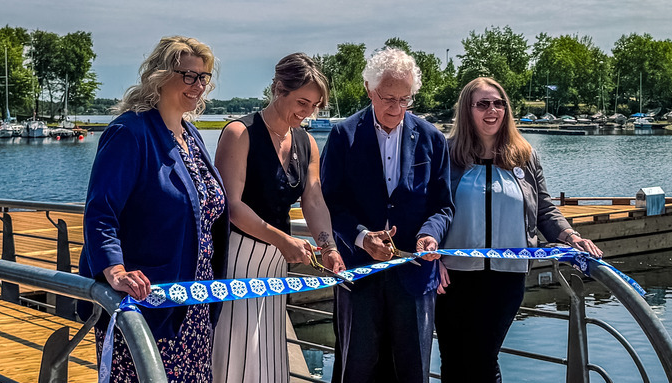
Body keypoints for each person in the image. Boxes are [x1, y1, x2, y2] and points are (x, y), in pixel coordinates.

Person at [78, 36, 228, 382]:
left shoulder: (190, 135)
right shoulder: (129, 132)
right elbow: (101, 211)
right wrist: (114, 270)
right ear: (159, 76)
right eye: (188, 75)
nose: (197, 85)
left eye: (203, 77)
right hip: (145, 304)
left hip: (193, 305)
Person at [435, 77, 602, 382]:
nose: (492, 110)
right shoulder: (446, 154)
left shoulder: (524, 155)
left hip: (506, 277)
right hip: (452, 276)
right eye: (483, 104)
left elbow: (544, 209)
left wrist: (571, 236)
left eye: (499, 103)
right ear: (467, 110)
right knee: (453, 359)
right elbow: (431, 210)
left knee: (482, 358)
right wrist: (431, 258)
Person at [320, 47, 453, 383]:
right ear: (369, 88)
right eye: (388, 98)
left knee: (413, 371)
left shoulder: (433, 139)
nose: (396, 108)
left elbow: (443, 206)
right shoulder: (342, 136)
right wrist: (363, 237)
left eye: (405, 99)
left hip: (414, 277)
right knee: (358, 370)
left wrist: (430, 235)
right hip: (359, 275)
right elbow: (330, 203)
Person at [211, 52, 344, 382]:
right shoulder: (240, 133)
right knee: (234, 350)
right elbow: (232, 205)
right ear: (278, 89)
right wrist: (282, 239)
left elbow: (313, 200)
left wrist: (328, 247)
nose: (307, 111)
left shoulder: (307, 142)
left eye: (314, 106)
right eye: (302, 102)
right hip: (237, 259)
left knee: (267, 351)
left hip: (275, 263)